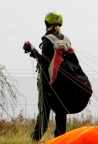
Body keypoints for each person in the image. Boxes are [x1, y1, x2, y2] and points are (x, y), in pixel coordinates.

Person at [23, 11, 93, 141]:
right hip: (64, 84)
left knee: (44, 111)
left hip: (49, 82)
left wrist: (32, 51)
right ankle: (60, 140)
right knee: (61, 112)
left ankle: (34, 139)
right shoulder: (66, 39)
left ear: (46, 23)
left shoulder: (47, 40)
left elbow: (44, 62)